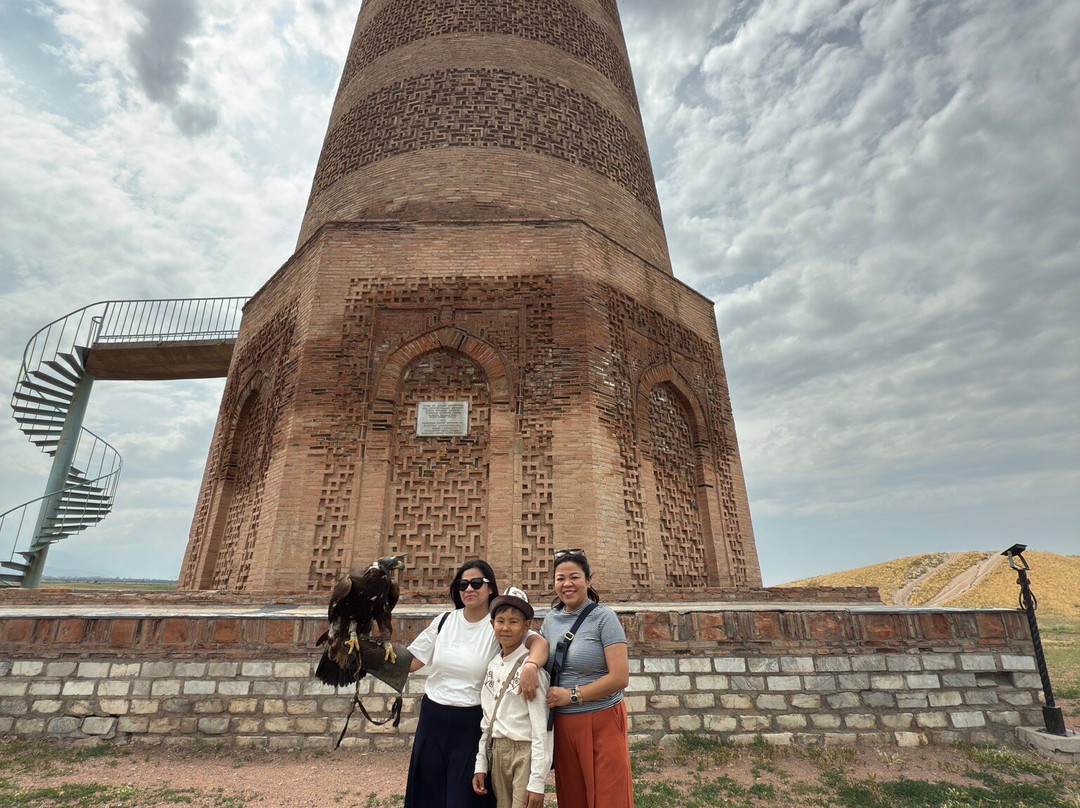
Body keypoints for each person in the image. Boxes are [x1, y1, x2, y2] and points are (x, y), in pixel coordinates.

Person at [405, 560, 549, 808]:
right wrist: (370, 655)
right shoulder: (444, 621)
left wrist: (530, 666)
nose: (468, 589)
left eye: (476, 583)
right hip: (433, 719)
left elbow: (539, 644)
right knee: (428, 795)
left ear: (491, 588)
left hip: (470, 723)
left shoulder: (499, 624)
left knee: (463, 798)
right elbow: (411, 661)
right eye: (463, 584)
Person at [542, 550, 633, 808]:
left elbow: (620, 677)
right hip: (564, 724)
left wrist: (572, 695)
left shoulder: (604, 618)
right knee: (573, 797)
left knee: (609, 797)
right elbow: (539, 655)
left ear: (588, 581)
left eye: (574, 577)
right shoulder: (550, 620)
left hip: (602, 718)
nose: (567, 584)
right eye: (560, 578)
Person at [473, 588, 552, 808]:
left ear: (527, 626)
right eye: (500, 621)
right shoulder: (492, 665)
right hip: (498, 751)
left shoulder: (531, 671)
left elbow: (541, 729)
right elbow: (487, 719)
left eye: (514, 622)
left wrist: (536, 782)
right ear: (492, 624)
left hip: (524, 752)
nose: (505, 627)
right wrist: (481, 762)